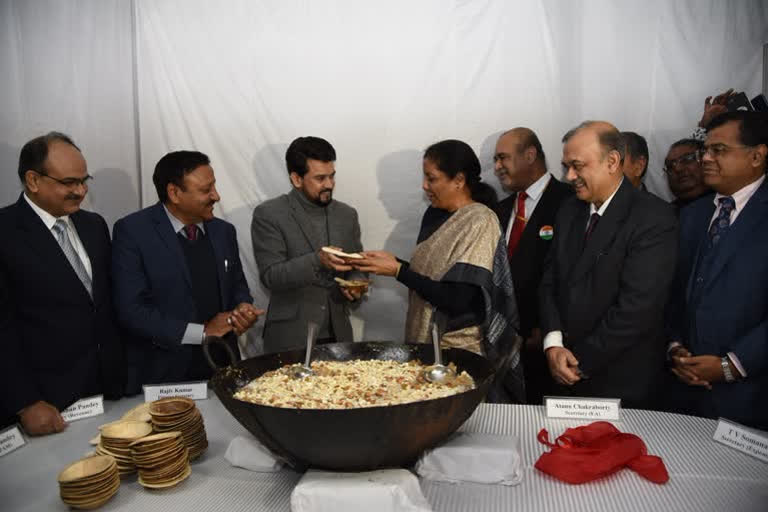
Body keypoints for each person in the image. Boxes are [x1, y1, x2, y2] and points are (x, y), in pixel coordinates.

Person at [354, 139, 523, 402]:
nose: (424, 186)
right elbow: (433, 280)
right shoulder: (433, 215)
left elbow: (459, 300)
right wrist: (392, 264)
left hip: (458, 356)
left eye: (431, 178)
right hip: (423, 347)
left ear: (458, 180)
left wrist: (399, 271)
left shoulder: (480, 220)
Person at [540, 121, 678, 409]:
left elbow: (637, 308)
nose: (569, 176)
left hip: (619, 384)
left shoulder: (653, 218)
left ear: (613, 161)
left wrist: (579, 362)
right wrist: (553, 344)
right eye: (566, 166)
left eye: (578, 166)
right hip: (562, 375)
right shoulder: (568, 210)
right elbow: (550, 280)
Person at [0, 132, 124, 435]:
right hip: (46, 403)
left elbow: (101, 306)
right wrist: (26, 402)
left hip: (107, 392)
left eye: (84, 180)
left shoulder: (94, 226)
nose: (81, 191)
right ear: (33, 180)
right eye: (69, 182)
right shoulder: (4, 233)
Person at [112, 150, 262, 394]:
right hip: (165, 376)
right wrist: (201, 332)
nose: (217, 196)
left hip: (222, 368)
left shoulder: (224, 232)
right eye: (206, 190)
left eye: (214, 186)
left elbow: (237, 286)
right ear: (174, 193)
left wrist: (242, 308)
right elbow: (131, 311)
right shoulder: (133, 232)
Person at [665, 111, 768, 430]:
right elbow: (672, 292)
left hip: (752, 400)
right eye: (704, 151)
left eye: (718, 151)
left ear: (757, 155)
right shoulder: (693, 216)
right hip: (685, 396)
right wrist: (675, 347)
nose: (705, 159)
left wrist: (732, 365)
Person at [251, 136, 364, 353]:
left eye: (332, 176)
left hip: (339, 336)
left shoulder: (347, 214)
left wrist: (356, 284)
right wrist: (317, 260)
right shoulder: (269, 214)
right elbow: (271, 276)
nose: (329, 184)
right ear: (296, 179)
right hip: (290, 339)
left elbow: (357, 265)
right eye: (320, 178)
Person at [492, 127, 572, 404]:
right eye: (495, 160)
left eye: (503, 158)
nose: (497, 167)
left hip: (552, 346)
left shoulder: (570, 201)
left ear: (530, 155)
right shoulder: (499, 211)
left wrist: (547, 327)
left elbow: (570, 273)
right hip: (506, 345)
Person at [663, 138, 710, 208]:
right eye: (670, 165)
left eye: (687, 159)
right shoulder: (664, 215)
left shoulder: (726, 204)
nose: (677, 169)